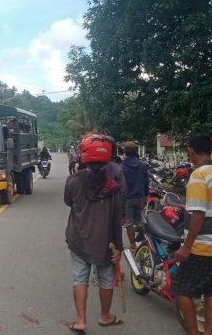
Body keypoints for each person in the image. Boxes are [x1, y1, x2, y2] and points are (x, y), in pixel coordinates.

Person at [172, 133, 212, 335]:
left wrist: (186, 246)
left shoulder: (198, 175)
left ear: (191, 152)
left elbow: (198, 214)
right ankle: (209, 332)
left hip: (203, 244)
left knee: (181, 290)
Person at [64, 134, 124, 333]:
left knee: (80, 278)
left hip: (78, 239)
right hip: (106, 242)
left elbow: (68, 202)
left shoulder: (73, 181)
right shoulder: (113, 187)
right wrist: (119, 246)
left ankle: (81, 321)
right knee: (107, 280)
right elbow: (117, 218)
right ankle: (105, 316)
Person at [121, 141, 148, 252]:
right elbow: (146, 182)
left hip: (128, 198)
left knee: (129, 222)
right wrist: (146, 195)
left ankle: (133, 245)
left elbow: (121, 185)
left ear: (125, 152)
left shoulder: (122, 167)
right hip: (140, 196)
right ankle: (144, 242)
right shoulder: (143, 165)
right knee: (140, 220)